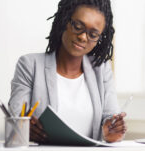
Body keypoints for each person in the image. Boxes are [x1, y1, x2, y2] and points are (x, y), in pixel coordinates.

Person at [8, 0, 127, 144]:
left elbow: (110, 116)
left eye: (93, 34)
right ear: (64, 20)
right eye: (78, 26)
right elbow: (15, 121)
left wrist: (112, 131)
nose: (83, 37)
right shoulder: (30, 65)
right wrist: (23, 129)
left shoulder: (101, 69)